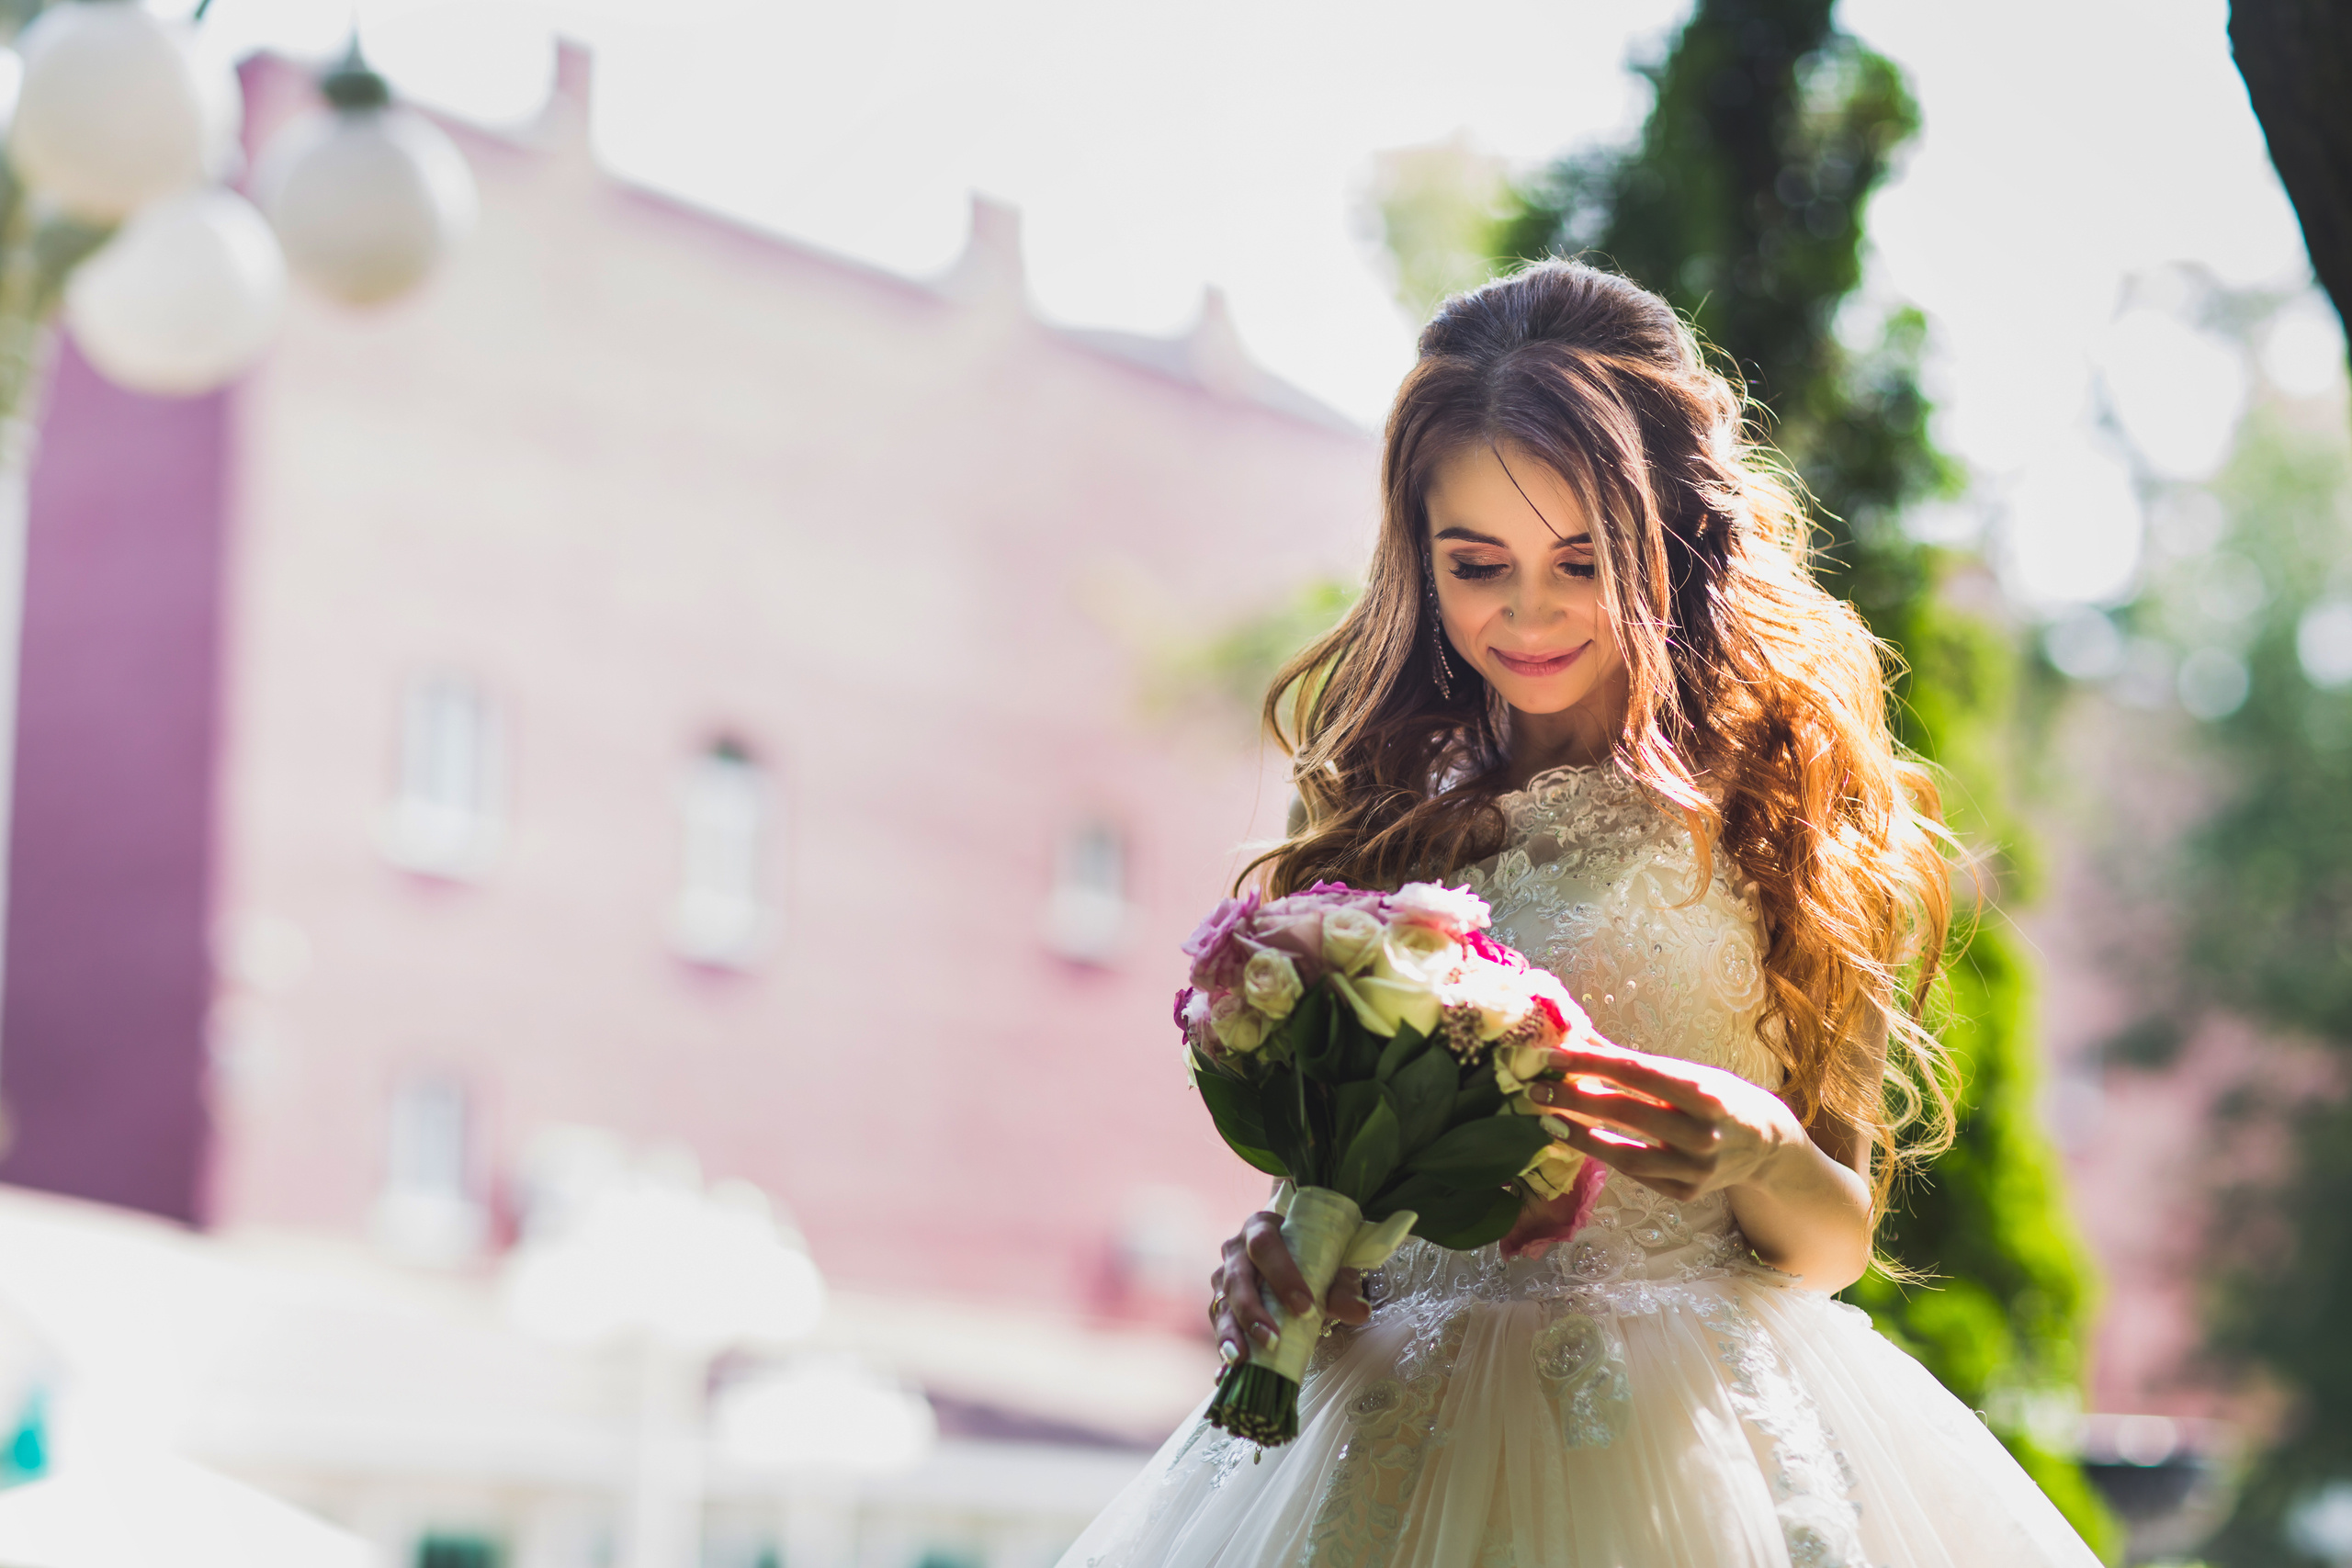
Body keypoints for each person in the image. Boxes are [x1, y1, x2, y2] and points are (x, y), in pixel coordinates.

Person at [1055, 261, 2101, 1568]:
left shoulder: (1779, 812)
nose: (1530, 607)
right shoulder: (1384, 820)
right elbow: (1347, 1212)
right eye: (1477, 562)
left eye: (1582, 558)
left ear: (1673, 533)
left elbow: (1834, 1240)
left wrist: (1763, 1153)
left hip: (1690, 1451)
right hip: (1398, 1443)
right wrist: (1283, 1266)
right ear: (1418, 557)